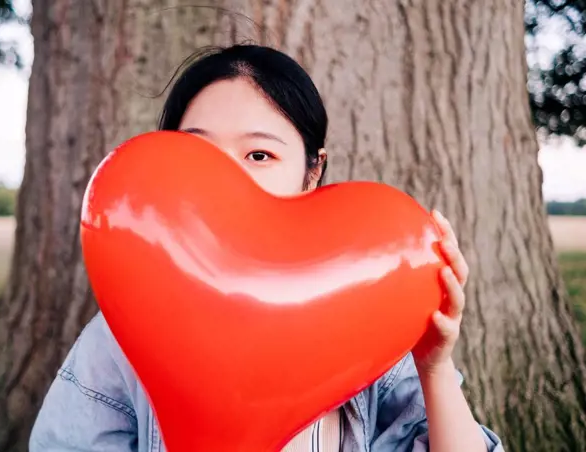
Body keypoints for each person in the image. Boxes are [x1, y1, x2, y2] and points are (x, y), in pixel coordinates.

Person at [29, 44, 504, 452]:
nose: (226, 177)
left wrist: (434, 367)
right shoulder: (122, 333)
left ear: (312, 170)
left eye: (259, 155)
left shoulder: (370, 322)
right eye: (200, 153)